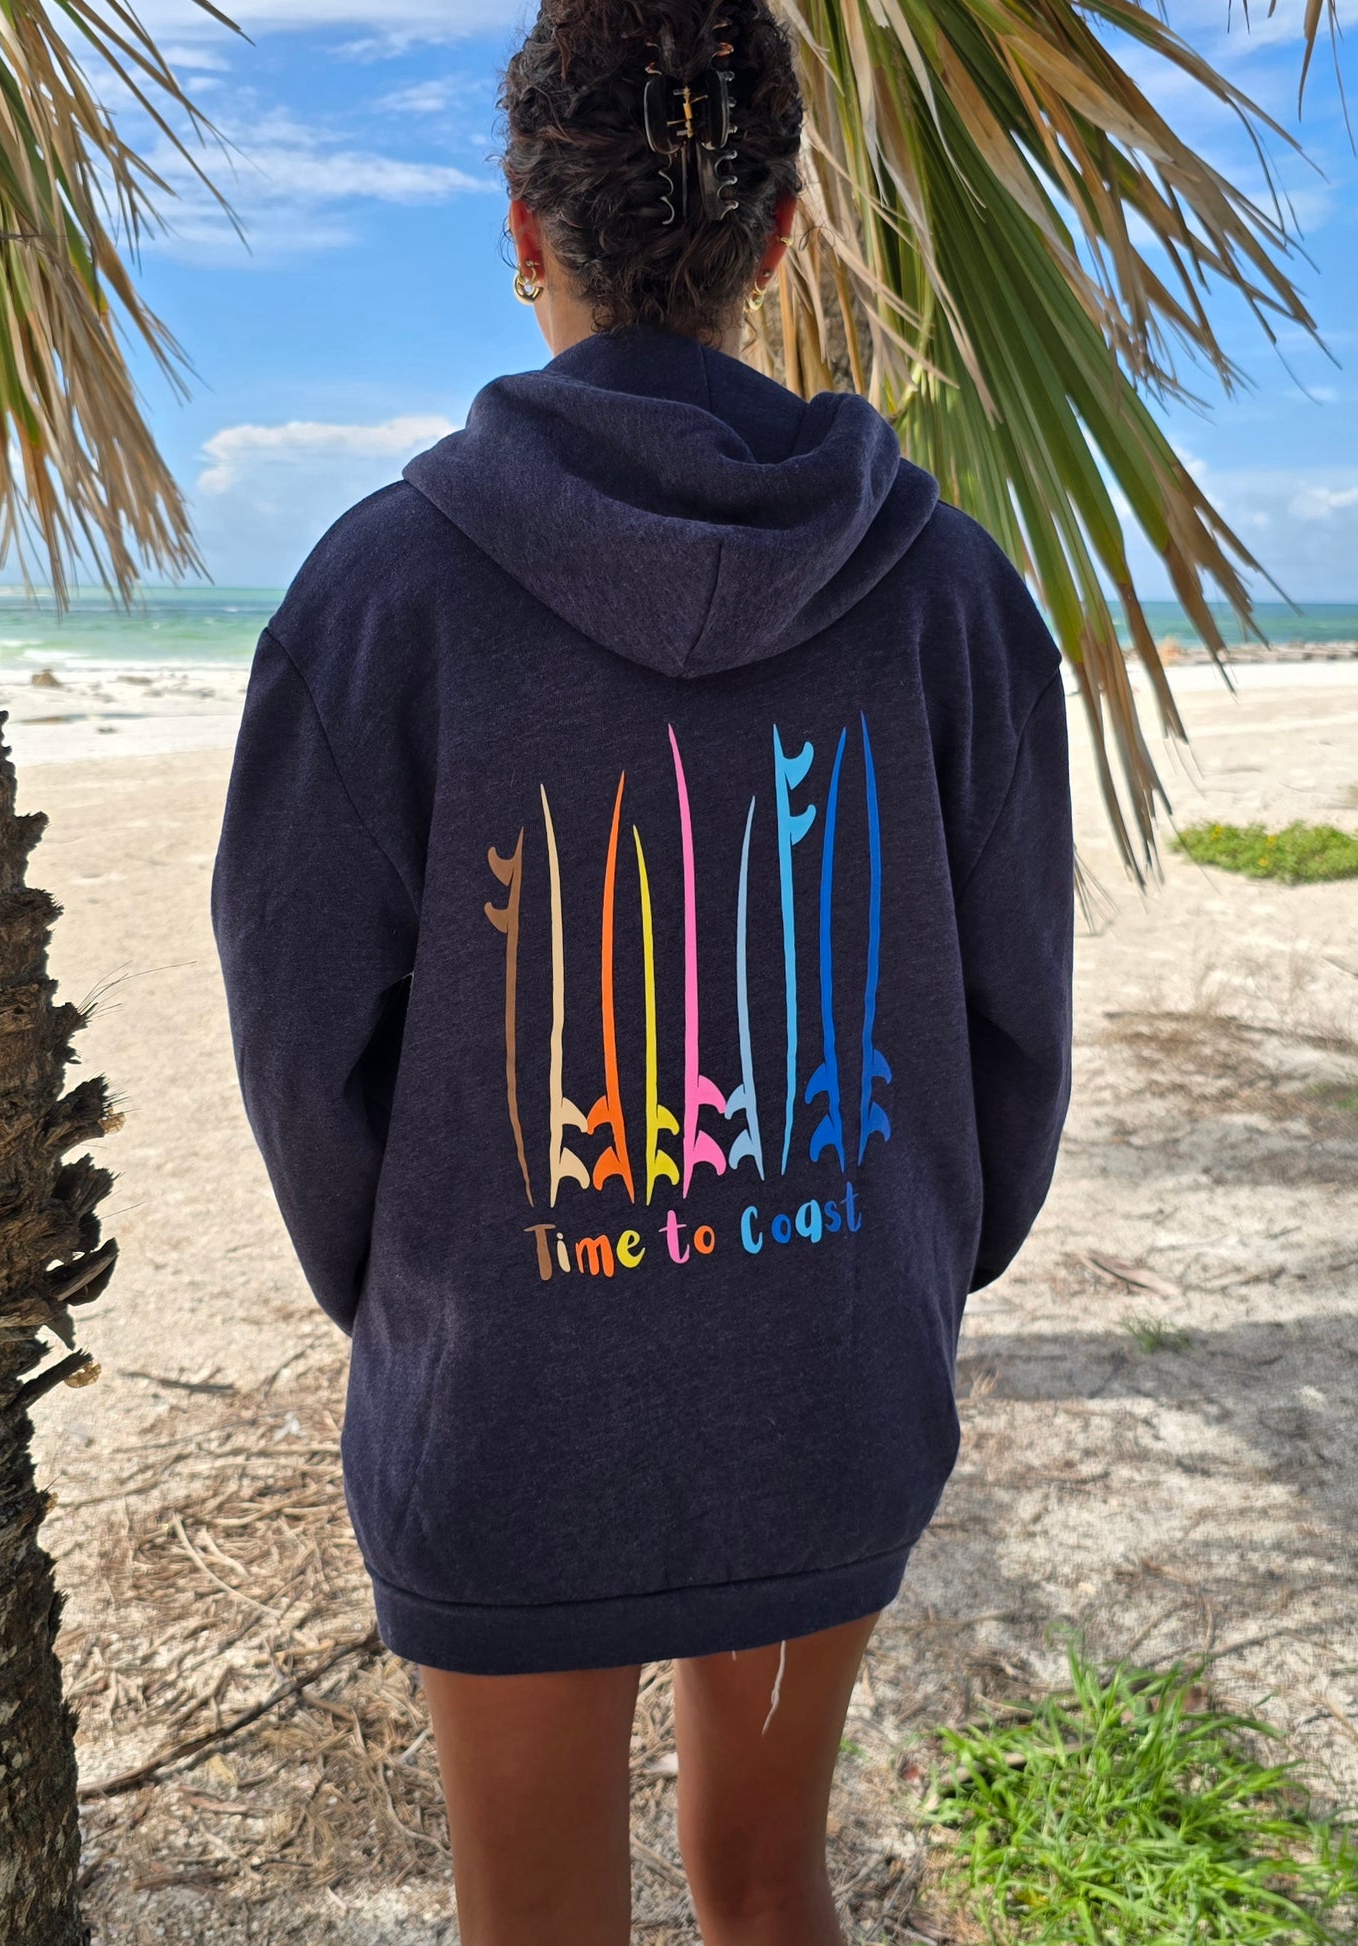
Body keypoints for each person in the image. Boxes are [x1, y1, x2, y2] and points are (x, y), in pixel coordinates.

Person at [211, 0, 1073, 1933]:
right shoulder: (948, 597)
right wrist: (903, 1253)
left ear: (523, 230)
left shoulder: (375, 595)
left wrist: (432, 1286)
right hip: (832, 1365)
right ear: (779, 240)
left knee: (538, 1920)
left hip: (506, 1397)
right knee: (770, 1882)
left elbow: (296, 1034)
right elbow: (1020, 1025)